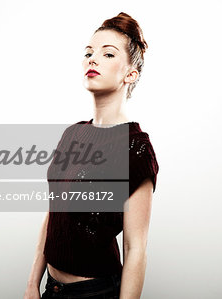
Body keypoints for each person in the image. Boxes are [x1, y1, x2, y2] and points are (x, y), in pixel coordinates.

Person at [24, 12, 159, 299]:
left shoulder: (135, 147)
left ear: (130, 74)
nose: (92, 59)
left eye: (107, 54)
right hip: (51, 288)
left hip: (95, 292)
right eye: (89, 52)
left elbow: (135, 250)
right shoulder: (72, 134)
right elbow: (53, 215)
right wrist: (31, 284)